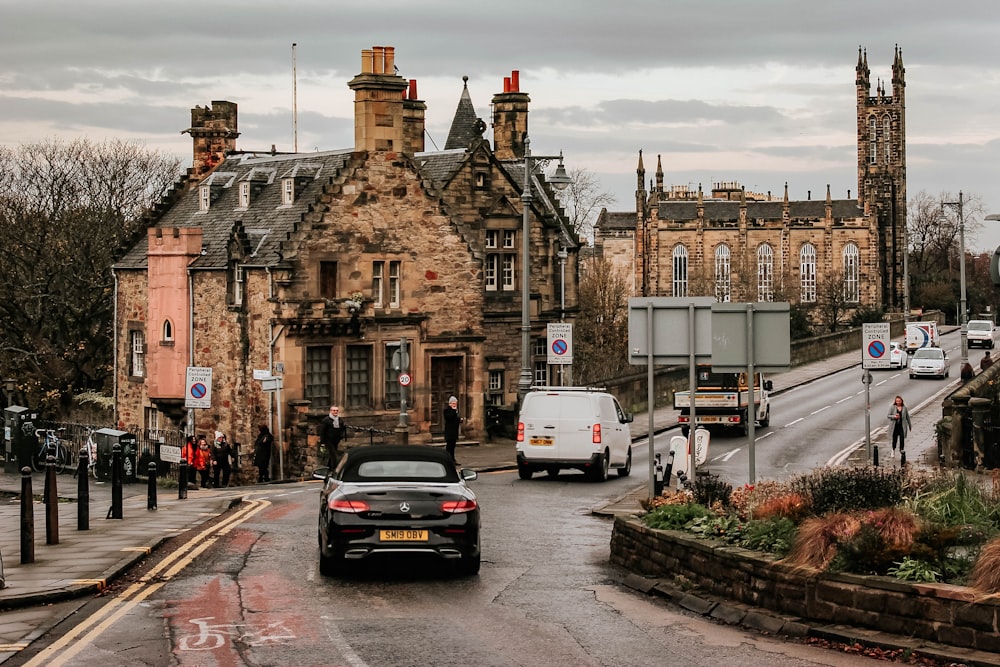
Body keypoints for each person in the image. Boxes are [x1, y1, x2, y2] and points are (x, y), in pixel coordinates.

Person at [319, 405, 348, 471]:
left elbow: (342, 429)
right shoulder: (326, 420)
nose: (335, 412)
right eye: (334, 410)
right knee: (334, 455)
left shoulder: (340, 420)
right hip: (328, 440)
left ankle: (329, 468)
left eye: (336, 410)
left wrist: (341, 436)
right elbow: (322, 431)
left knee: (332, 454)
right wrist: (322, 442)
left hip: (336, 440)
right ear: (331, 411)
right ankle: (334, 469)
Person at [887, 395, 912, 460]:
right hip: (895, 426)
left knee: (902, 438)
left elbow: (907, 417)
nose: (898, 402)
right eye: (897, 401)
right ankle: (893, 450)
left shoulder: (904, 408)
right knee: (894, 439)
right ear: (895, 401)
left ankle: (901, 450)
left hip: (902, 426)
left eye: (899, 401)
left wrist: (910, 425)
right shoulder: (892, 407)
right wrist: (894, 417)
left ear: (901, 401)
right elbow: (888, 415)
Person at [443, 395, 463, 463]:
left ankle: (453, 459)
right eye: (453, 403)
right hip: (449, 432)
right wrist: (454, 411)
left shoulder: (455, 411)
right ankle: (448, 460)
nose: (455, 405)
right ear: (450, 403)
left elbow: (456, 419)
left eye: (455, 403)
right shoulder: (447, 411)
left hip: (454, 431)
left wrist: (460, 420)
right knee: (449, 447)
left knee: (453, 447)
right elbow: (449, 417)